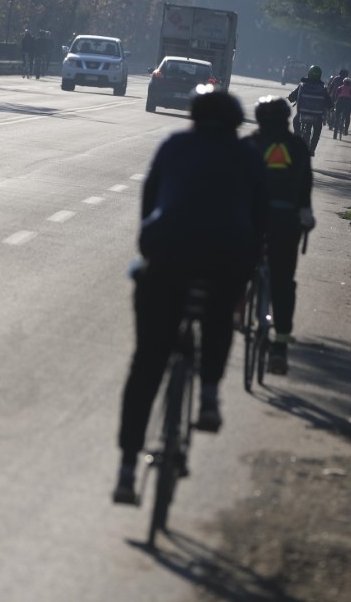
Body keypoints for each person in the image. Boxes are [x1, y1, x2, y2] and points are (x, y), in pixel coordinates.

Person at [113, 86, 266, 505]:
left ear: (193, 117)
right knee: (219, 315)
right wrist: (246, 271)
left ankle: (127, 469)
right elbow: (260, 218)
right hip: (227, 256)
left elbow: (149, 202)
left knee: (147, 363)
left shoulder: (174, 145)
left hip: (167, 255)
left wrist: (150, 248)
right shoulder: (248, 157)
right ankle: (211, 394)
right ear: (236, 125)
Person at [245, 96, 316, 375]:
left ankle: (237, 307)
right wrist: (305, 214)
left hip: (250, 220)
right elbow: (305, 187)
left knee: (234, 266)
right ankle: (280, 347)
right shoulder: (297, 147)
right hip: (286, 222)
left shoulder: (250, 144)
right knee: (283, 281)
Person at [288, 65, 330, 155]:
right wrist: (331, 107)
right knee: (317, 130)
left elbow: (292, 96)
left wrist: (290, 98)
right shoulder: (322, 87)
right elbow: (328, 101)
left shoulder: (302, 85)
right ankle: (312, 149)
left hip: (302, 113)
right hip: (317, 115)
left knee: (296, 122)